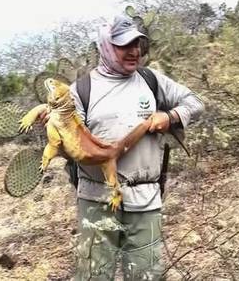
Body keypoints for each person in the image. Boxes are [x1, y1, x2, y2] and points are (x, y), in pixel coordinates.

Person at [69, 15, 205, 281]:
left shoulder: (151, 80)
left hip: (145, 200)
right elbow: (71, 142)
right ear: (106, 47)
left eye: (138, 45)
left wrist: (171, 117)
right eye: (123, 46)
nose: (134, 52)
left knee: (146, 276)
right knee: (93, 276)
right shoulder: (82, 90)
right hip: (98, 200)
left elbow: (195, 102)